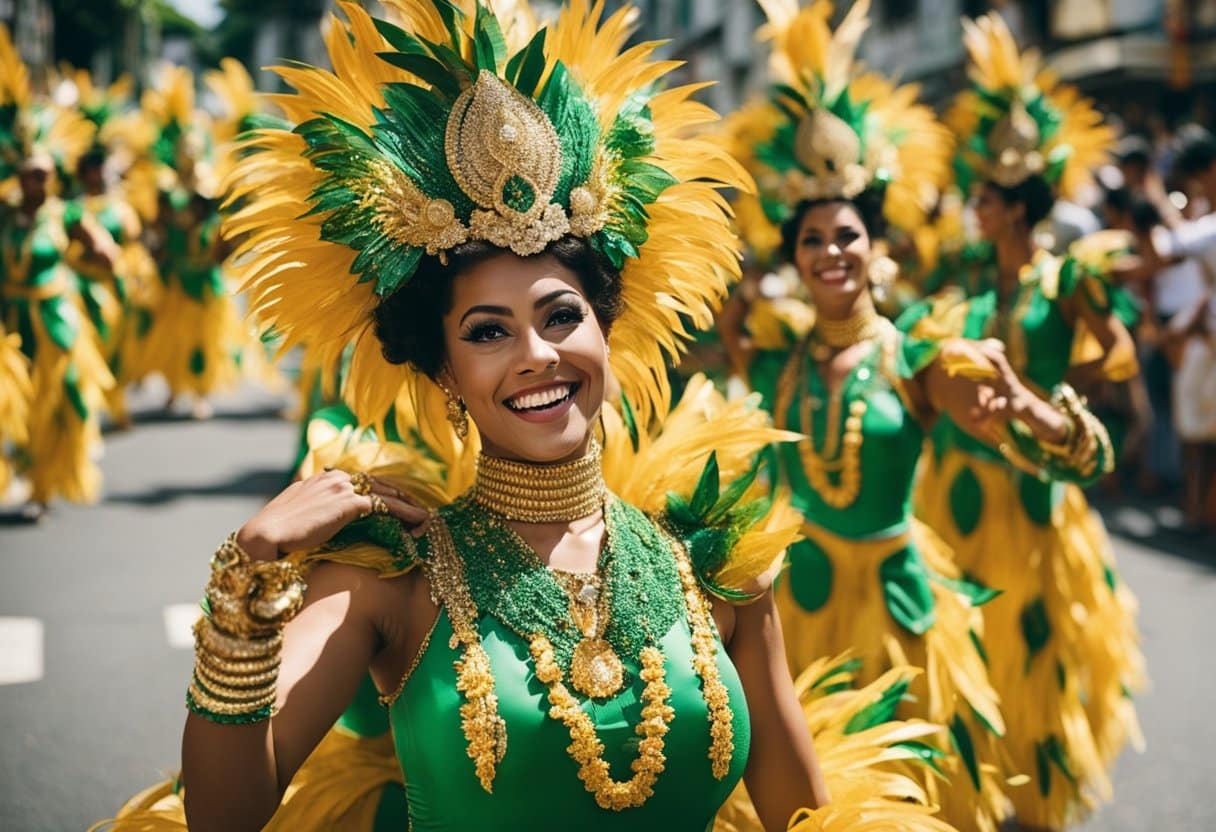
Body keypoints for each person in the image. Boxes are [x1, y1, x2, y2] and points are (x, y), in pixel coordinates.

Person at [718, 4, 1123, 830]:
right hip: (798, 614)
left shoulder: (921, 360)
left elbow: (1083, 459)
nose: (831, 252)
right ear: (793, 256)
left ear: (877, 246)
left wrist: (1040, 416)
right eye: (813, 241)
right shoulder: (774, 353)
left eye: (847, 236)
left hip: (899, 618)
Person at [902, 14, 1146, 829]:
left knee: (1028, 648)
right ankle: (974, 789)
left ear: (1012, 209)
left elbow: (1119, 355)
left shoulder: (1069, 276)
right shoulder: (962, 272)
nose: (973, 208)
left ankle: (1024, 801)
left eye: (983, 199)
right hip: (962, 486)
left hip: (1036, 486)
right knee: (965, 645)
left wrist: (1053, 387)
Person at [0, 26, 115, 517]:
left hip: (54, 318)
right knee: (15, 403)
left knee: (57, 398)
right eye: (31, 174)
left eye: (45, 174)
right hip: (11, 321)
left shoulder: (66, 215)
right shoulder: (4, 211)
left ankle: (45, 483)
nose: (38, 181)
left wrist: (86, 262)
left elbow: (106, 253)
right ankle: (21, 470)